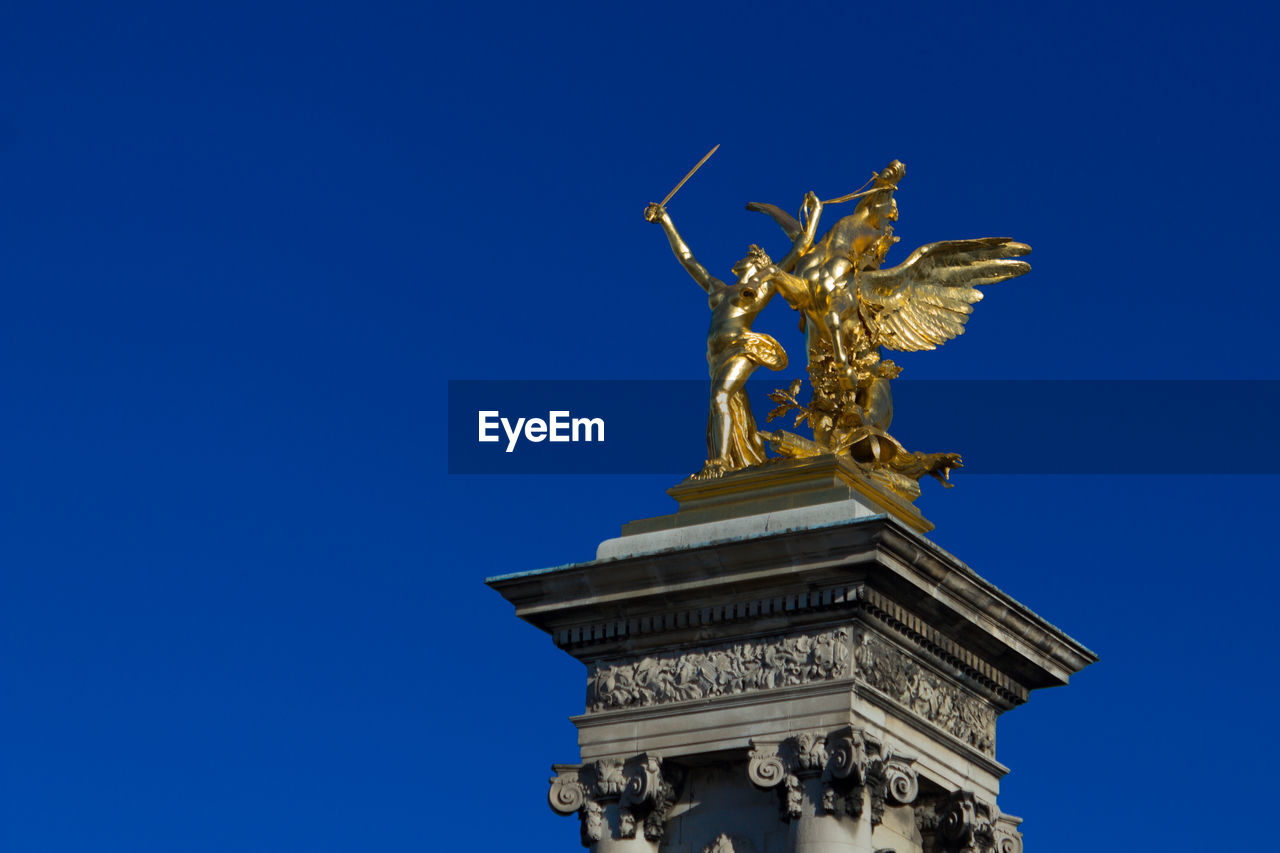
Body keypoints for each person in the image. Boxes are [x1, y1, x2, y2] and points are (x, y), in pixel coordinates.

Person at [644, 192, 821, 478]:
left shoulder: (760, 289)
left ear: (757, 262)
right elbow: (687, 259)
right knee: (721, 407)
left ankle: (719, 463)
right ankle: (730, 458)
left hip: (742, 347)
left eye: (749, 255)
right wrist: (666, 220)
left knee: (720, 397)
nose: (739, 257)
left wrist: (813, 214)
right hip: (716, 356)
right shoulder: (718, 289)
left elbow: (800, 248)